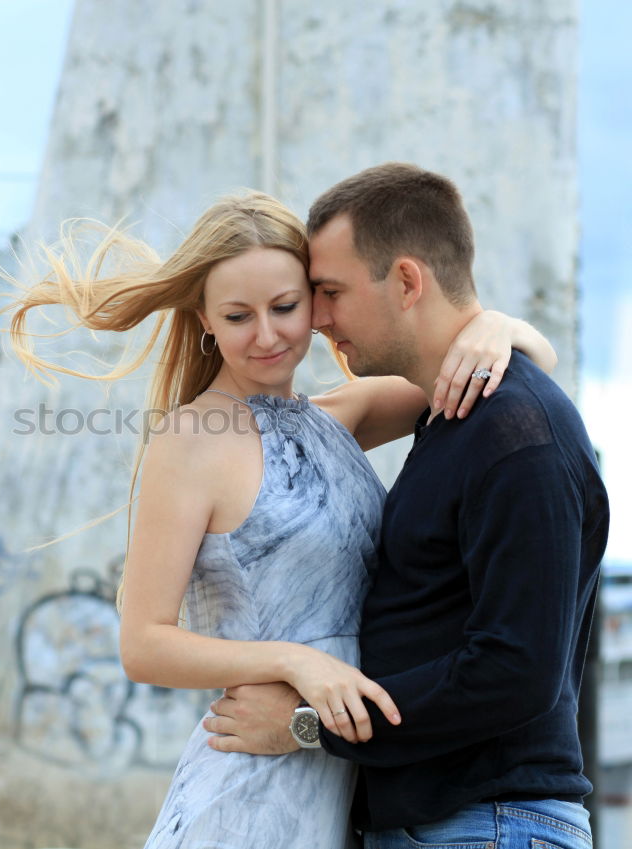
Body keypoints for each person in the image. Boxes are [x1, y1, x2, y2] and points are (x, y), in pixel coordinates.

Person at [0, 190, 557, 849]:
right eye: (238, 315)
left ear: (317, 305)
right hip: (247, 793)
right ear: (204, 319)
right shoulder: (189, 441)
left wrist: (496, 326)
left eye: (285, 307)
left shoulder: (339, 416)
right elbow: (143, 642)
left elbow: (514, 372)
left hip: (340, 782)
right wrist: (297, 662)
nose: (266, 335)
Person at [202, 165, 610, 849]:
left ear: (408, 282)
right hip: (447, 827)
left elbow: (515, 674)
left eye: (329, 292)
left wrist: (308, 724)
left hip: (488, 827)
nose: (318, 318)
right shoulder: (458, 412)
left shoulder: (517, 436)